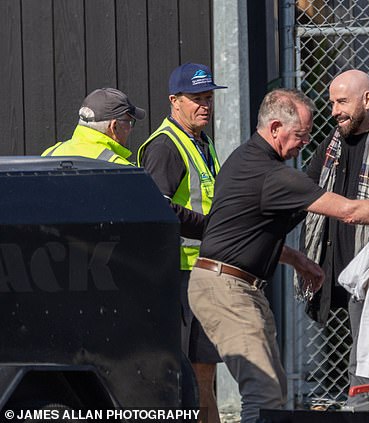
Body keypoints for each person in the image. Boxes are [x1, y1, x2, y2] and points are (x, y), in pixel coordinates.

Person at [187, 88, 369, 423]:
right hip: (226, 289)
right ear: (275, 128)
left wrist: (299, 261)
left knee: (273, 388)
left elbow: (244, 236)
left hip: (231, 284)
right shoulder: (270, 175)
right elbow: (349, 211)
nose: (304, 142)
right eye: (300, 135)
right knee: (262, 391)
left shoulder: (246, 159)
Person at [137, 63, 225, 423]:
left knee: (204, 368)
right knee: (196, 369)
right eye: (196, 99)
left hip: (201, 270)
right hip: (181, 275)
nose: (205, 105)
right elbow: (156, 208)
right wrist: (210, 229)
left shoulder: (200, 141)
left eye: (208, 98)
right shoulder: (165, 146)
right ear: (174, 101)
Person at [301, 69, 369, 391]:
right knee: (361, 353)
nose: (334, 111)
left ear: (367, 99)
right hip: (336, 272)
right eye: (331, 103)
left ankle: (366, 408)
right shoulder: (332, 145)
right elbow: (306, 189)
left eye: (342, 102)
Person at [42, 88, 145, 165]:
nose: (130, 129)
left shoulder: (48, 155)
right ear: (114, 126)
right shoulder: (122, 170)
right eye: (129, 122)